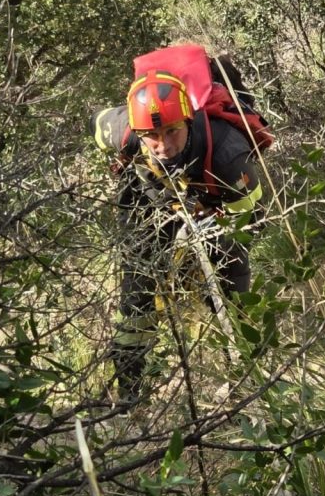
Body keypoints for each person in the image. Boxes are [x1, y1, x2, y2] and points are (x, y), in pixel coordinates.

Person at [89, 68, 263, 403]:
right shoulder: (123, 130)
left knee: (231, 281)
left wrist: (215, 232)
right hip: (147, 197)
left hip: (214, 204)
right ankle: (129, 397)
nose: (163, 145)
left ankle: (244, 384)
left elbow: (250, 221)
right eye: (151, 135)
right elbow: (94, 124)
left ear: (188, 120)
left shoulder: (227, 152)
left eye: (172, 131)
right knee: (136, 291)